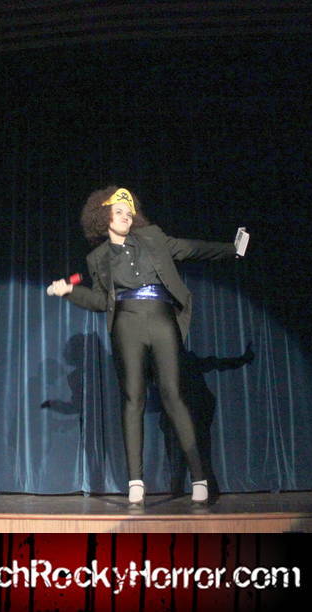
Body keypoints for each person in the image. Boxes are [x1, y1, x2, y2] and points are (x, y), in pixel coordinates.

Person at [48, 187, 246, 506]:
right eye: (119, 211)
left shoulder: (152, 237)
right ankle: (135, 482)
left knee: (173, 395)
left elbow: (191, 248)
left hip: (161, 319)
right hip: (126, 325)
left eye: (129, 213)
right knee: (133, 398)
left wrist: (232, 249)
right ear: (103, 217)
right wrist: (69, 291)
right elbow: (100, 300)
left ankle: (199, 478)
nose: (126, 216)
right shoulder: (97, 258)